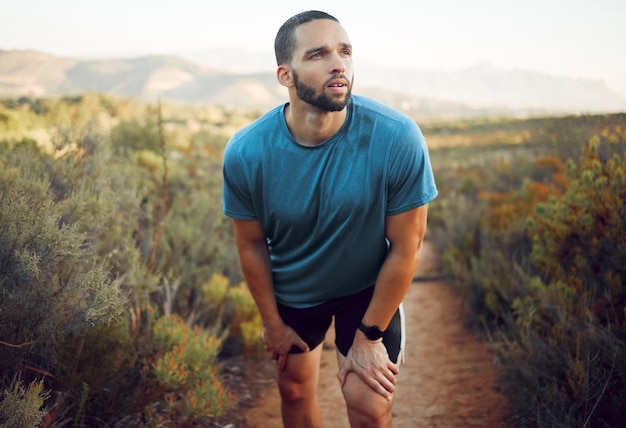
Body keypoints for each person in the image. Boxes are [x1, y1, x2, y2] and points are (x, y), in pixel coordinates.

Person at [222, 10, 437, 427]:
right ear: (285, 75)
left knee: (370, 402)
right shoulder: (247, 152)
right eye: (318, 54)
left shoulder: (396, 137)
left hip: (366, 289)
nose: (339, 63)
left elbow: (407, 246)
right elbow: (249, 242)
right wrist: (271, 324)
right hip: (296, 289)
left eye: (345, 51)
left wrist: (369, 336)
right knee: (295, 390)